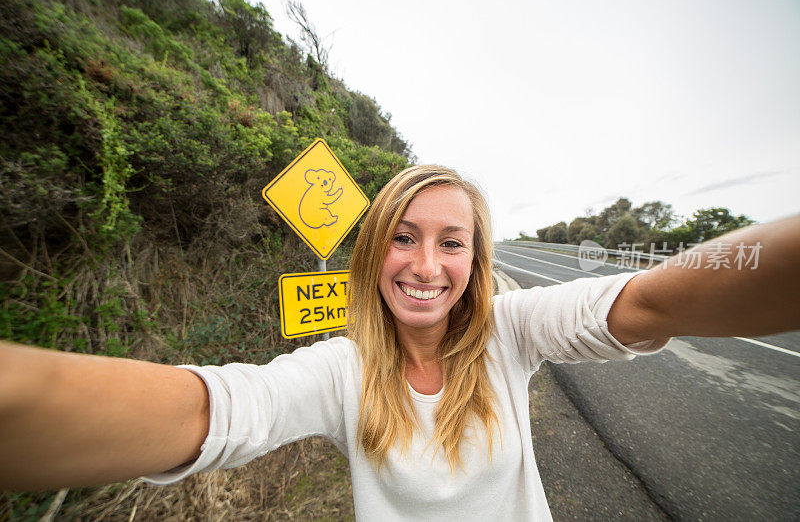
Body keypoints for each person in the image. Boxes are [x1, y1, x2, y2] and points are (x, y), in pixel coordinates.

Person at [0, 165, 798, 520]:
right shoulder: (340, 369)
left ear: (477, 262)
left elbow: (651, 301)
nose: (425, 265)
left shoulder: (510, 331)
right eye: (405, 238)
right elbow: (221, 410)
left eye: (453, 243)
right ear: (372, 249)